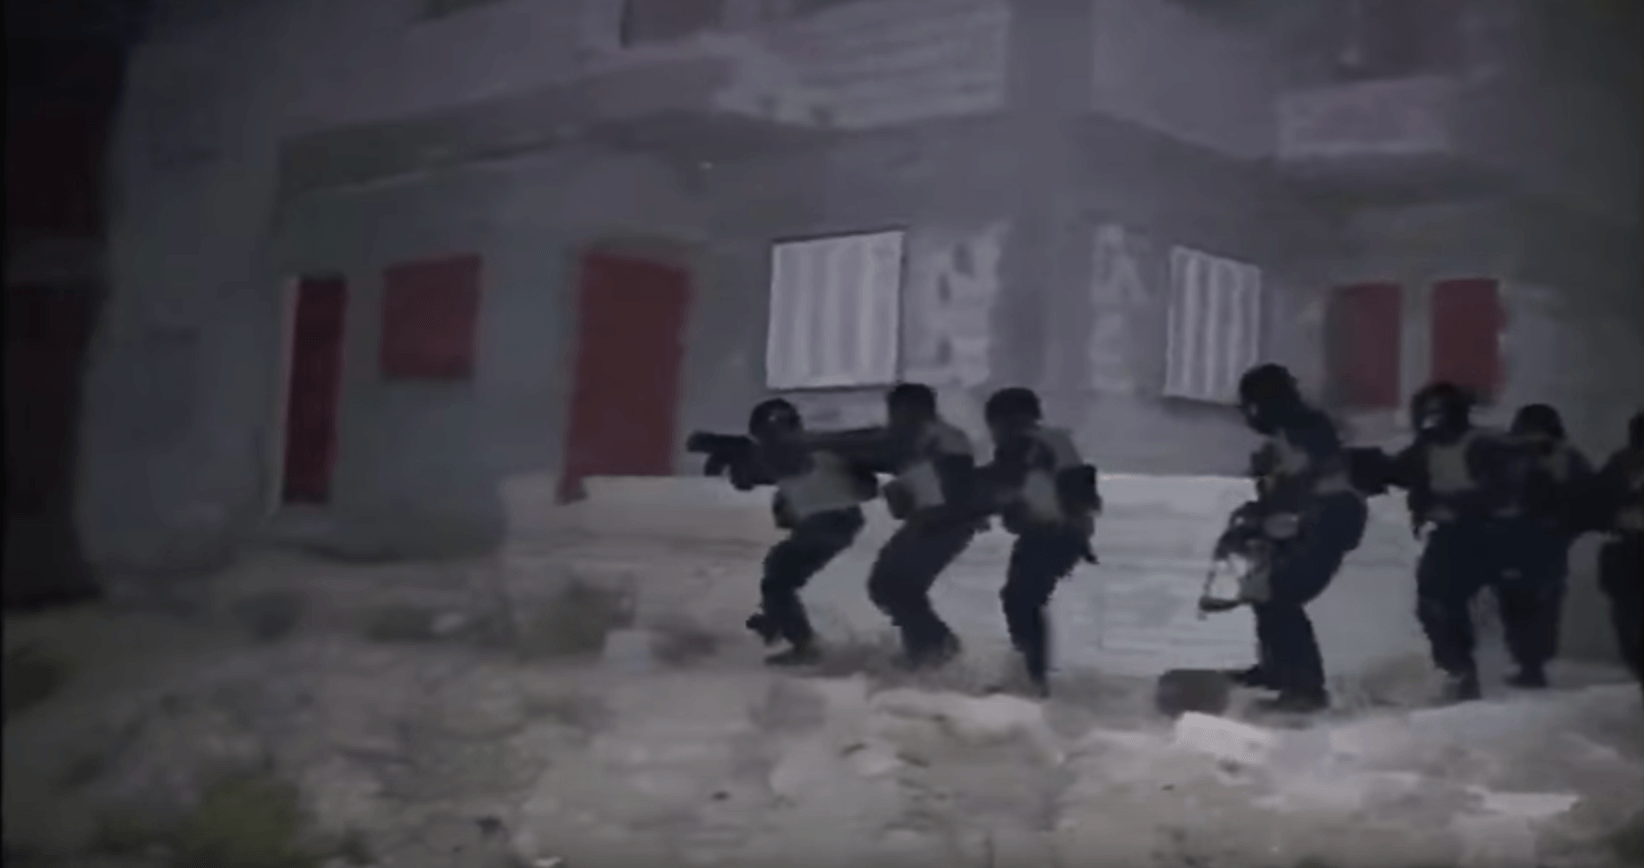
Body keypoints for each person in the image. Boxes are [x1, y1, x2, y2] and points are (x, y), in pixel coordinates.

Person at [1218, 364, 1367, 713]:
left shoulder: (1306, 432)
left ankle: (1306, 687)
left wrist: (1267, 515)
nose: (1248, 414)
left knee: (1280, 593)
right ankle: (1277, 669)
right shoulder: (1288, 433)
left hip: (1324, 521)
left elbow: (1303, 485)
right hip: (1307, 520)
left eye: (1251, 405)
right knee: (1264, 591)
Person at [687, 399, 879, 666]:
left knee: (778, 576)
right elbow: (754, 474)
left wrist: (723, 449)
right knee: (780, 572)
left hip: (829, 521)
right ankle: (779, 619)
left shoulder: (795, 450)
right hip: (838, 521)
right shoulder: (799, 450)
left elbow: (766, 462)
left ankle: (803, 644)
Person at [1389, 382, 1522, 703]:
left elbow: (1503, 493)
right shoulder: (1426, 447)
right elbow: (1396, 471)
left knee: (1452, 602)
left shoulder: (1484, 446)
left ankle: (1471, 670)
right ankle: (1458, 670)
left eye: (1439, 415)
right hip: (1449, 534)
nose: (1434, 424)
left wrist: (1455, 504)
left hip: (1488, 534)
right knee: (1435, 603)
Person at [976, 387, 1100, 695]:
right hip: (1062, 533)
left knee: (1021, 599)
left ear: (1004, 421)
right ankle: (1031, 674)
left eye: (994, 425)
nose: (994, 435)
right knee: (1021, 599)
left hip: (1051, 532)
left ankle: (1033, 679)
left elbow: (1004, 482)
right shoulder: (1056, 440)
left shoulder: (1026, 444)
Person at [863, 383, 982, 669]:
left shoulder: (944, 438)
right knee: (888, 585)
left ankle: (936, 647)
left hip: (946, 523)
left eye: (896, 411)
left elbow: (958, 484)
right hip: (929, 521)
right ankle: (927, 646)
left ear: (915, 410)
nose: (891, 418)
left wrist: (938, 515)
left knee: (895, 586)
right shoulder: (916, 440)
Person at [1494, 403, 1594, 688]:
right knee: (1528, 602)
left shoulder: (1563, 459)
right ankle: (1530, 661)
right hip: (1527, 541)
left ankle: (1531, 662)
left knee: (1533, 602)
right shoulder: (1512, 458)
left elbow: (1587, 498)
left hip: (1536, 541)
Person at [1591, 411, 1644, 688]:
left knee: (1628, 623)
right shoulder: (1621, 464)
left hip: (1627, 554)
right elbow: (1598, 502)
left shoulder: (1620, 463)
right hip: (1627, 554)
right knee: (1628, 624)